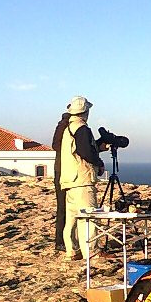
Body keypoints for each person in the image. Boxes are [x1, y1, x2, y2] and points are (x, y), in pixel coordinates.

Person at [59, 96, 106, 261]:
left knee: (72, 219)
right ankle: (91, 252)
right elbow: (85, 152)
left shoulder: (68, 128)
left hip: (70, 180)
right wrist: (98, 161)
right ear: (86, 111)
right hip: (82, 180)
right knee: (88, 218)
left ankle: (72, 250)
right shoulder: (82, 128)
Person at [51, 109, 71, 251]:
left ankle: (62, 241)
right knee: (63, 208)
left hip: (63, 170)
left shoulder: (64, 126)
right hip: (64, 171)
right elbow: (57, 146)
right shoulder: (66, 127)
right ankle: (61, 241)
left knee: (62, 208)